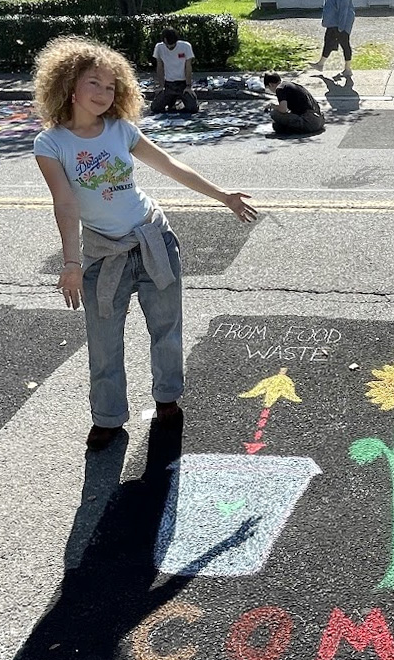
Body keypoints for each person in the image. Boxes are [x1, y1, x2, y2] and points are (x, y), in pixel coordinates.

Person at [32, 36, 257, 450]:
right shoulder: (51, 144)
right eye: (93, 84)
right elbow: (64, 202)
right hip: (103, 255)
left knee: (166, 330)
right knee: (103, 344)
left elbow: (170, 165)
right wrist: (70, 262)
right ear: (69, 86)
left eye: (111, 85)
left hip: (153, 239)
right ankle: (108, 418)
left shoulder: (121, 129)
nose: (103, 93)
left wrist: (223, 196)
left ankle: (168, 398)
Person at [151, 27, 198, 114]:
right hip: (168, 84)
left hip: (183, 84)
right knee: (155, 108)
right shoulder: (159, 47)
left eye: (172, 45)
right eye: (168, 45)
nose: (170, 47)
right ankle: (171, 100)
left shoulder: (186, 46)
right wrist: (161, 85)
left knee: (193, 109)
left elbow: (188, 67)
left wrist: (188, 86)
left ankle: (183, 99)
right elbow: (160, 67)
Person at [310, 0, 355, 78]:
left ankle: (348, 69)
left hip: (340, 24)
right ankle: (320, 64)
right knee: (328, 42)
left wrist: (341, 27)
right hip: (333, 23)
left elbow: (343, 9)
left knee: (344, 44)